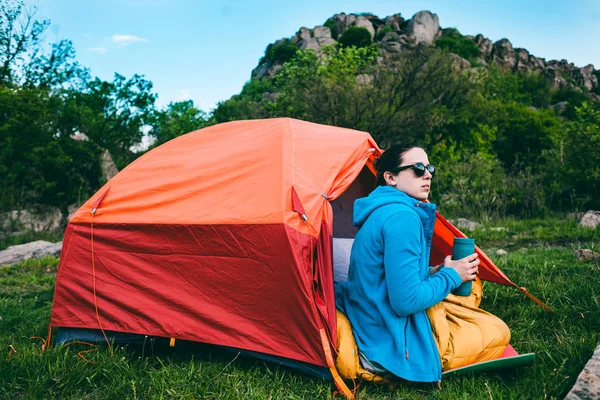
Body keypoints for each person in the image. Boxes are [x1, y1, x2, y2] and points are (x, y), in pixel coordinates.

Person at [335, 143, 493, 384]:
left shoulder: (381, 210)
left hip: (368, 319)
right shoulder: (402, 218)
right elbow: (405, 302)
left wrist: (437, 271)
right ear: (390, 178)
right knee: (497, 332)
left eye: (429, 167)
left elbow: (388, 276)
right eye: (418, 168)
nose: (427, 174)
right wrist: (452, 276)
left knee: (468, 299)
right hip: (386, 344)